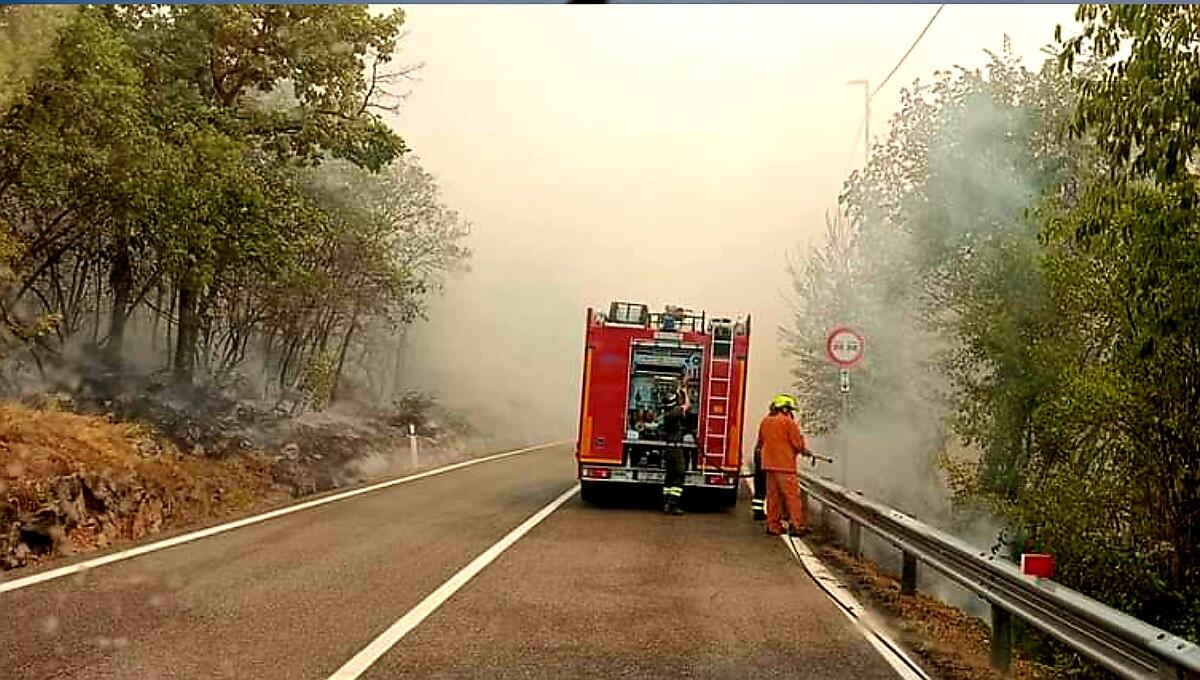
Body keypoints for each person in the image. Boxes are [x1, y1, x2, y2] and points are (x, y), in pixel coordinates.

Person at [753, 394, 812, 537]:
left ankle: (773, 525)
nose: (791, 412)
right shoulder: (788, 423)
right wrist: (805, 451)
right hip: (784, 466)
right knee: (792, 496)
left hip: (768, 465)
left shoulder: (765, 421)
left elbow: (760, 442)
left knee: (773, 497)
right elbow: (797, 444)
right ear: (785, 408)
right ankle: (796, 526)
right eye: (790, 409)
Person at [660, 382, 691, 515]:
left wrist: (679, 393)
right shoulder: (674, 413)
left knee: (670, 475)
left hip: (668, 449)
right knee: (679, 474)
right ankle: (673, 503)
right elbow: (687, 406)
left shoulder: (667, 414)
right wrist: (685, 392)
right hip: (676, 450)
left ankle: (666, 502)